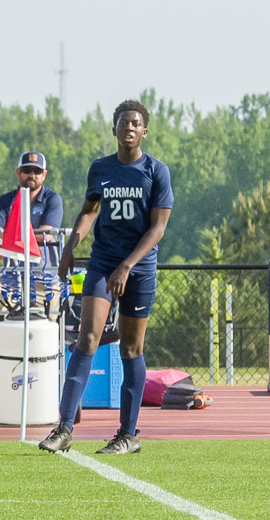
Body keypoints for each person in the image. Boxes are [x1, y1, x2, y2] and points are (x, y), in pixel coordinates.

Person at [38, 99, 173, 455]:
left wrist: (127, 266)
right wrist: (69, 247)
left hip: (138, 268)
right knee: (88, 338)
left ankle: (128, 434)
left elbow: (158, 228)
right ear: (113, 129)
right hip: (102, 262)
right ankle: (64, 428)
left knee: (131, 347)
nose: (129, 127)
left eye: (135, 123)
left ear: (144, 131)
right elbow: (88, 211)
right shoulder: (100, 169)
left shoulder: (157, 171)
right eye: (123, 122)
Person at [0, 151, 63, 386]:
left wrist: (9, 240)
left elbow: (46, 234)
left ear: (44, 175)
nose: (32, 175)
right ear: (18, 172)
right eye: (27, 170)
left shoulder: (53, 199)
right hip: (8, 278)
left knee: (54, 313)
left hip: (44, 278)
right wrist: (19, 239)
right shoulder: (5, 200)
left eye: (37, 171)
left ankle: (53, 367)